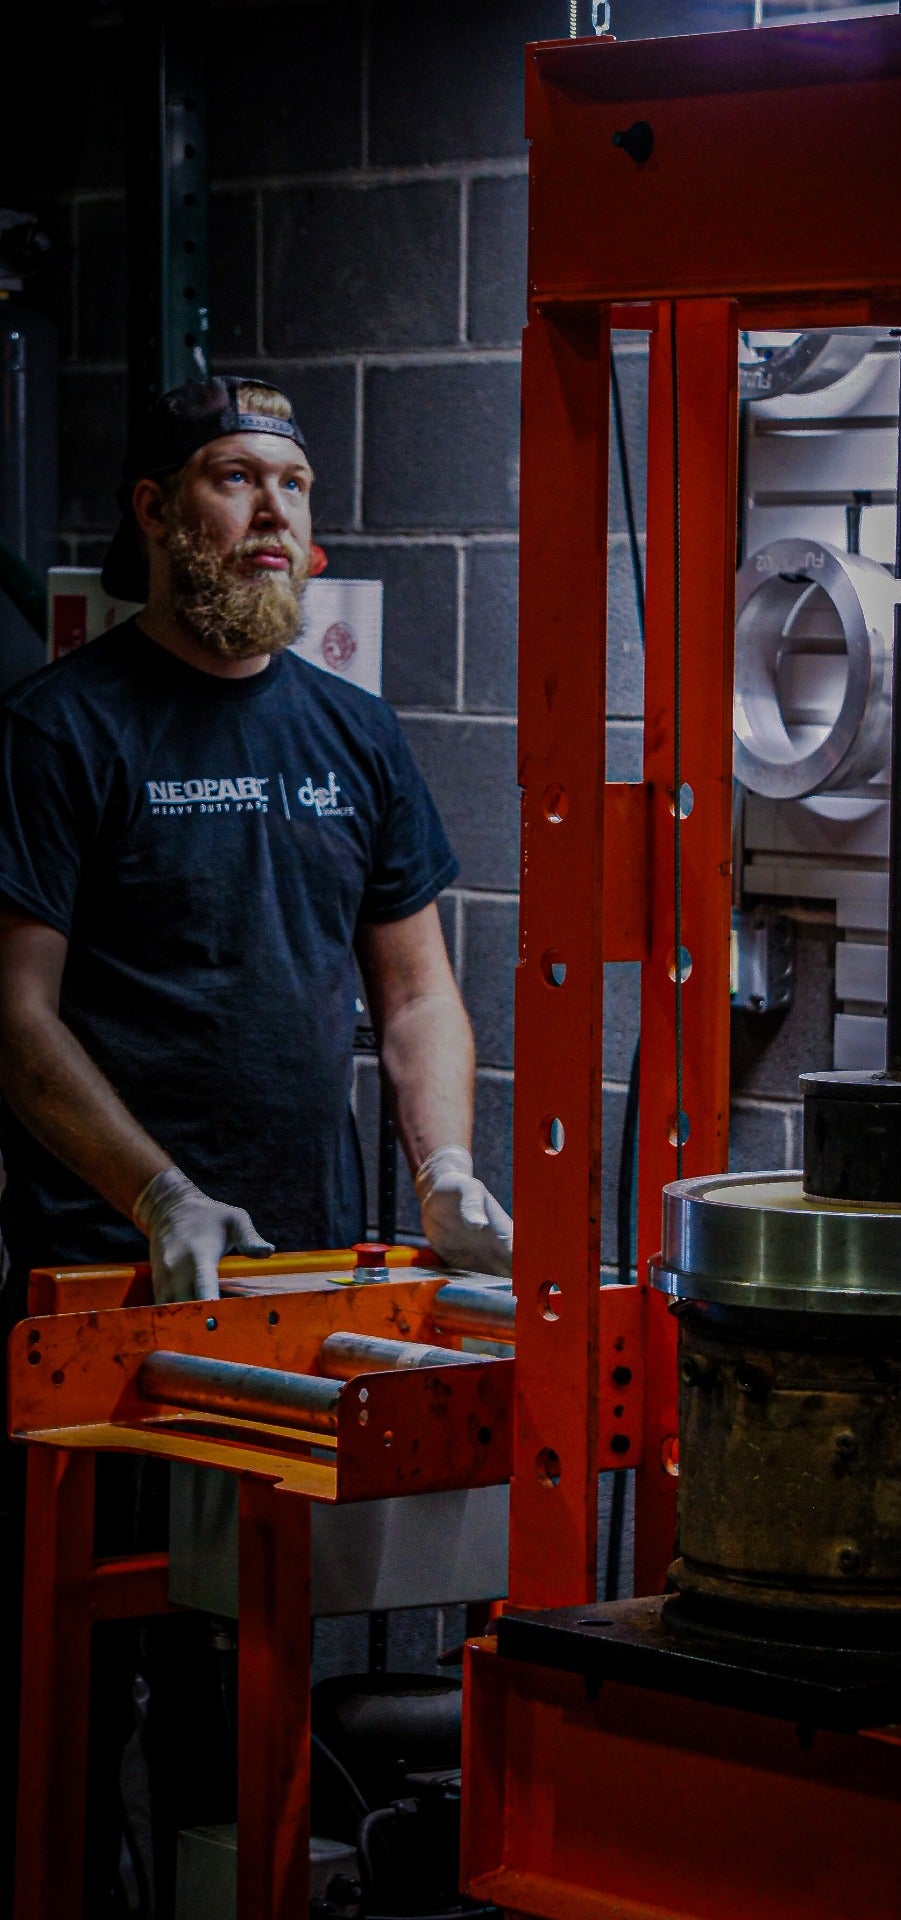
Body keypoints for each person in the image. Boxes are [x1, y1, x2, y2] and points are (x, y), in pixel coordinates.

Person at [0, 374, 513, 1915]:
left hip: (291, 1302)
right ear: (157, 515)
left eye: (293, 483)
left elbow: (418, 991)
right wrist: (154, 1189)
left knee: (250, 1680)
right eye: (236, 479)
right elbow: (15, 1018)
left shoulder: (352, 733)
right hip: (105, 1297)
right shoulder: (61, 728)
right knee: (71, 1698)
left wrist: (446, 1172)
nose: (279, 512)